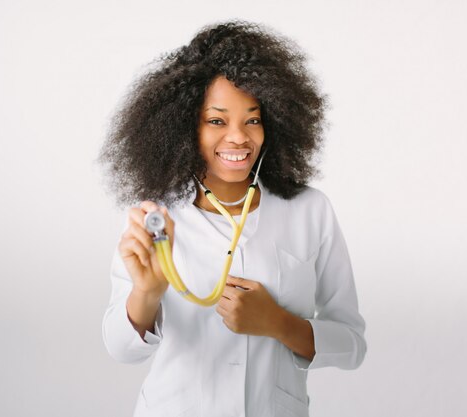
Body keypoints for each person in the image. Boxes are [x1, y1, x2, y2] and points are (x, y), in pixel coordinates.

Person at [98, 21, 366, 417]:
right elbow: (120, 348)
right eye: (217, 120)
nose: (239, 138)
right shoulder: (155, 217)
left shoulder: (311, 210)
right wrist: (147, 294)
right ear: (186, 126)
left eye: (253, 119)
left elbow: (352, 345)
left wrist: (277, 322)